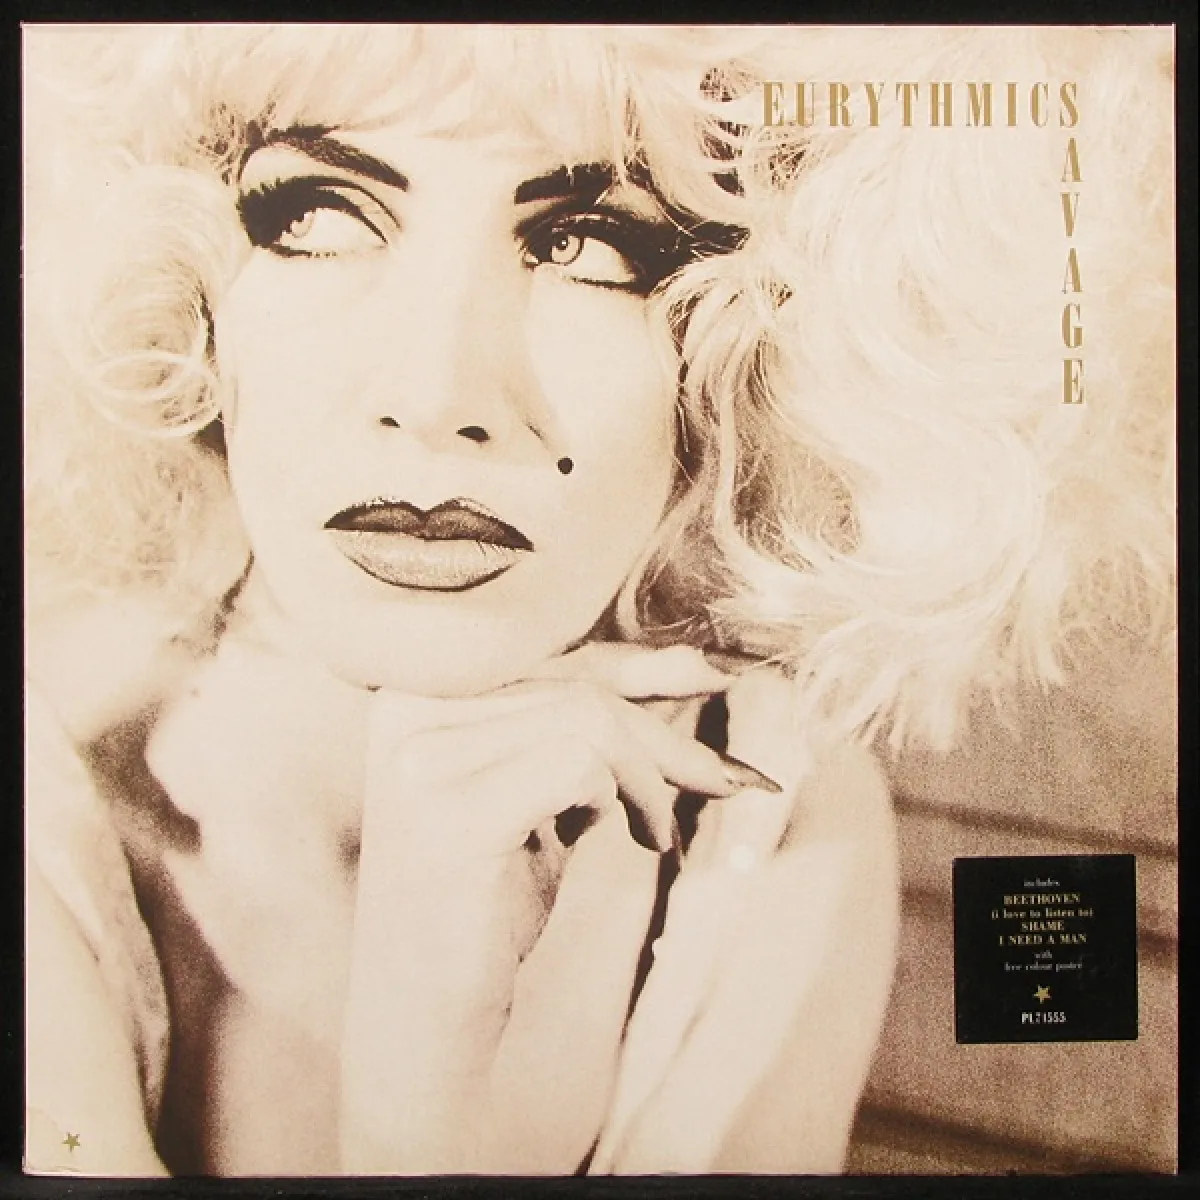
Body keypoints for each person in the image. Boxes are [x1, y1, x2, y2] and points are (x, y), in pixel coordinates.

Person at [23, 25, 1174, 1176]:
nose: (438, 393)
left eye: (586, 242)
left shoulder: (765, 807)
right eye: (316, 216)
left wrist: (426, 1113)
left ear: (748, 343)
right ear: (182, 287)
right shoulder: (41, 791)